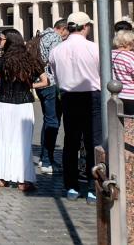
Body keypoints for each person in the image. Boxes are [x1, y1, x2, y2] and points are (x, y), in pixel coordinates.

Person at [49, 12, 101, 202]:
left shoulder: (56, 51)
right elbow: (103, 74)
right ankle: (93, 187)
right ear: (85, 26)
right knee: (93, 142)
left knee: (71, 142)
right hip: (92, 96)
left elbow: (55, 76)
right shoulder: (94, 48)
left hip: (68, 97)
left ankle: (71, 186)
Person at [0, 29, 47, 191]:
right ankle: (23, 180)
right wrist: (30, 85)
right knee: (23, 142)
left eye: (1, 39)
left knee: (3, 140)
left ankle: (2, 177)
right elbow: (45, 81)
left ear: (9, 41)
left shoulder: (0, 61)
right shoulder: (31, 60)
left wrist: (4, 81)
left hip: (5, 105)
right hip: (24, 105)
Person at [31, 19, 68, 174]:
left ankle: (44, 158)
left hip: (40, 83)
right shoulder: (55, 38)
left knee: (48, 120)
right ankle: (47, 161)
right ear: (63, 29)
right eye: (67, 32)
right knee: (53, 122)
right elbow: (56, 62)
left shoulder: (40, 36)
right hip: (51, 83)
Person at [112, 29, 134, 115]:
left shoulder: (109, 54)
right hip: (131, 96)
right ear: (128, 42)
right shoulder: (130, 56)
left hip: (115, 95)